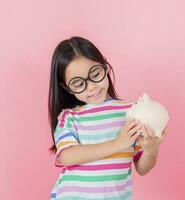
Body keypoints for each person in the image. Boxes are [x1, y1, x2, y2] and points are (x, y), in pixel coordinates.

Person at [48, 36, 168, 199]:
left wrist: (152, 150)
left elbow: (142, 168)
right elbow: (67, 156)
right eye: (78, 84)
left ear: (105, 66)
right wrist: (117, 144)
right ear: (67, 88)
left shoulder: (132, 112)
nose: (91, 87)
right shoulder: (69, 117)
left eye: (95, 73)